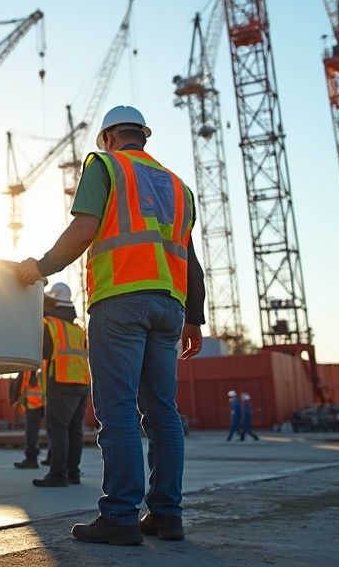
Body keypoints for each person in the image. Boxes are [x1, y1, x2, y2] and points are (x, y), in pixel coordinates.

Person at [15, 105, 205, 546]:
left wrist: (41, 267)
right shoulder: (179, 187)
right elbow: (190, 260)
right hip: (170, 306)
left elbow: (84, 229)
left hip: (120, 300)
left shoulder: (106, 165)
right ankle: (166, 516)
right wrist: (194, 318)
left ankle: (120, 516)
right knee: (163, 412)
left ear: (108, 138)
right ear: (144, 136)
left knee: (117, 410)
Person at [32, 282, 92, 488]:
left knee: (58, 429)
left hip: (61, 381)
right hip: (82, 383)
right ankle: (72, 473)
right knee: (75, 430)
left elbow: (43, 353)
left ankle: (58, 474)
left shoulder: (50, 325)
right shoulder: (78, 329)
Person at [10, 368, 45, 468]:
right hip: (43, 401)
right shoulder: (40, 362)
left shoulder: (32, 363)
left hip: (35, 402)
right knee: (55, 431)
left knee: (31, 433)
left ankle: (31, 459)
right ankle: (52, 458)